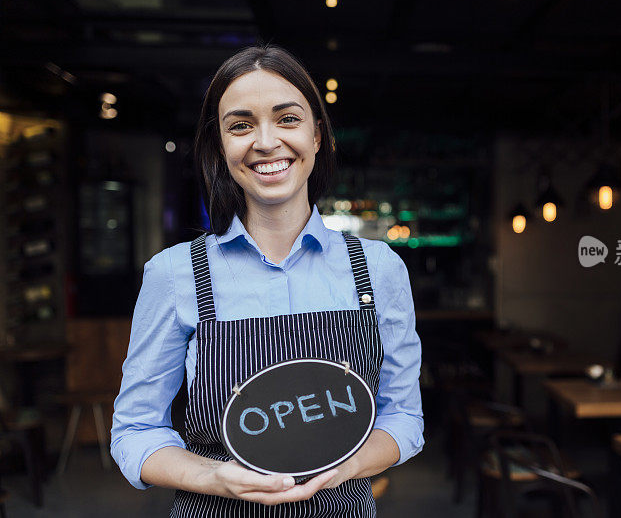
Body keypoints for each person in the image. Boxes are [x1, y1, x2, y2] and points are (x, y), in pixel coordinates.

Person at [110, 45, 424, 517]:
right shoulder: (175, 274)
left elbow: (403, 417)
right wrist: (213, 477)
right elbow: (134, 431)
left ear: (318, 136)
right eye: (240, 125)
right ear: (220, 147)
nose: (265, 141)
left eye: (287, 119)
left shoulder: (377, 269)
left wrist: (343, 466)